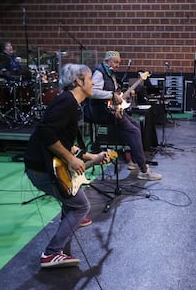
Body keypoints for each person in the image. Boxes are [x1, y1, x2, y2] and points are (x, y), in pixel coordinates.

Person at [24, 63, 112, 268]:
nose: (92, 84)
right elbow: (47, 133)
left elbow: (65, 144)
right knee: (82, 206)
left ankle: (71, 218)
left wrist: (93, 156)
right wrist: (72, 160)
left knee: (74, 204)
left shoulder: (70, 103)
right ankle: (51, 253)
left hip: (42, 165)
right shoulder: (67, 103)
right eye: (90, 80)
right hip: (41, 168)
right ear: (79, 81)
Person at [86, 51, 162, 180]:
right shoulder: (99, 72)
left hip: (111, 110)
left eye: (119, 63)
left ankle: (134, 160)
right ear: (107, 61)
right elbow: (92, 92)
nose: (117, 65)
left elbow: (114, 92)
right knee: (133, 131)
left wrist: (120, 94)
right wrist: (112, 95)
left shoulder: (109, 73)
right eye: (115, 62)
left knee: (136, 127)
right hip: (102, 113)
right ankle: (144, 170)